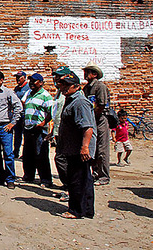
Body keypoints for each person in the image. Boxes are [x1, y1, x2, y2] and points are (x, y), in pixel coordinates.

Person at [57, 71, 96, 219]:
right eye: (62, 84)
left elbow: (87, 127)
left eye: (67, 85)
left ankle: (76, 211)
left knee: (77, 179)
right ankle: (85, 210)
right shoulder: (71, 99)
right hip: (73, 147)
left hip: (79, 148)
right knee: (84, 179)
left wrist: (84, 147)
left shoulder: (79, 102)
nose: (63, 88)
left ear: (76, 86)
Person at [21, 73, 54, 187]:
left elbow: (51, 112)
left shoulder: (46, 96)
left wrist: (43, 123)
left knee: (41, 154)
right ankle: (29, 176)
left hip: (39, 129)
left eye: (34, 81)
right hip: (28, 128)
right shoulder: (29, 93)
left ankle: (46, 179)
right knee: (28, 154)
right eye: (30, 81)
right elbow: (23, 103)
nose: (31, 83)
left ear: (40, 82)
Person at [82, 61, 110, 186]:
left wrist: (93, 118)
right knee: (92, 147)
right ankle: (95, 173)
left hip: (100, 120)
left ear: (94, 74)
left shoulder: (100, 87)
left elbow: (101, 105)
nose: (85, 74)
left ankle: (104, 176)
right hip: (91, 121)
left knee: (101, 149)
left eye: (87, 72)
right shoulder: (86, 88)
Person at [48, 65, 73, 202]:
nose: (56, 79)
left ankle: (71, 189)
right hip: (59, 131)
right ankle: (67, 187)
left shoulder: (71, 93)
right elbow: (56, 114)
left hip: (67, 133)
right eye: (55, 76)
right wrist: (53, 131)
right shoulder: (60, 92)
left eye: (59, 76)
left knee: (64, 161)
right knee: (60, 160)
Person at [13, 71, 30, 159]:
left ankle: (25, 153)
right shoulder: (16, 89)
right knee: (17, 134)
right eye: (16, 77)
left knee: (26, 135)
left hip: (25, 114)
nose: (17, 79)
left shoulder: (28, 88)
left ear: (24, 77)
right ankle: (16, 152)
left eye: (19, 77)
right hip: (18, 115)